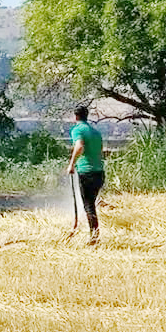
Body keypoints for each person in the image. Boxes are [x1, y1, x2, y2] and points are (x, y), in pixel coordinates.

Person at [67, 105, 105, 245]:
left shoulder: (77, 130)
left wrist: (71, 164)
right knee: (91, 204)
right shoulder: (96, 132)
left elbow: (79, 146)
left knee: (88, 205)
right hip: (99, 172)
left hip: (86, 172)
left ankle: (94, 237)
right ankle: (94, 234)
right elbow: (100, 150)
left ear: (76, 116)